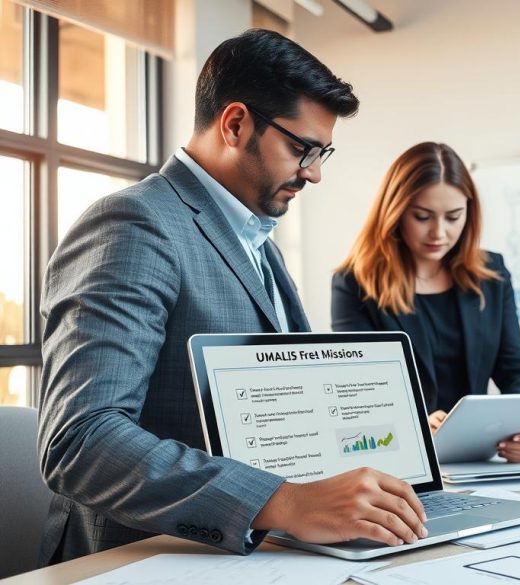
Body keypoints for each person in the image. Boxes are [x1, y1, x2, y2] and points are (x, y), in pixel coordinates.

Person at [37, 29, 427, 565]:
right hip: (147, 557)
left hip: (260, 548)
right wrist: (283, 501)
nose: (314, 172)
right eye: (302, 149)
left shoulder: (257, 240)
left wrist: (388, 450)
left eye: (323, 152)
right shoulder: (134, 225)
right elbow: (81, 441)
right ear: (236, 123)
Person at [331, 142, 520, 463]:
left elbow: (515, 368)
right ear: (396, 212)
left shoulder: (492, 274)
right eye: (422, 216)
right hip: (400, 461)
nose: (439, 233)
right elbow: (360, 393)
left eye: (453, 217)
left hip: (478, 461)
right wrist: (415, 425)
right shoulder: (355, 284)